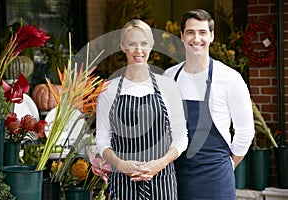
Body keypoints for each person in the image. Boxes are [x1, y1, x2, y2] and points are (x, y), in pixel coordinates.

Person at [164, 9, 255, 199]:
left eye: (202, 32)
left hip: (216, 180)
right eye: (190, 32)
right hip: (176, 178)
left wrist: (228, 165)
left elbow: (245, 132)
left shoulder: (230, 78)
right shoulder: (170, 77)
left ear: (212, 36)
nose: (196, 38)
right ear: (182, 36)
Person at [96, 19, 188, 200]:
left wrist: (159, 164)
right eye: (132, 44)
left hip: (162, 180)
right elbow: (102, 138)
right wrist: (120, 164)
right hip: (122, 182)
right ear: (123, 46)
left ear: (151, 45)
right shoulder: (109, 89)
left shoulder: (168, 86)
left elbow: (181, 135)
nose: (139, 50)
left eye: (144, 43)